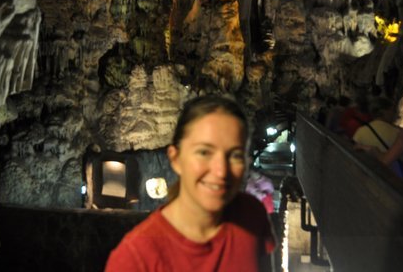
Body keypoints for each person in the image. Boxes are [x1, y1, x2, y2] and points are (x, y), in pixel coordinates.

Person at [105, 95, 276, 271]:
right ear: (176, 159)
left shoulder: (251, 214)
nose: (221, 171)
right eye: (204, 152)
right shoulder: (135, 259)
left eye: (235, 155)